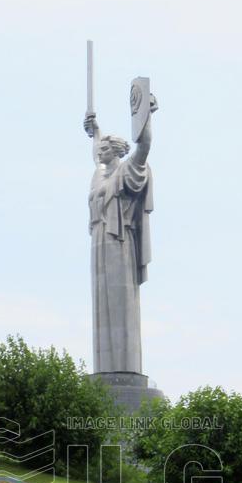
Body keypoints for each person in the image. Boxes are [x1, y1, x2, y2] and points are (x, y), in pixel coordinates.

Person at [83, 94, 156, 375]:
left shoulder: (128, 172)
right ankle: (105, 371)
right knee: (102, 303)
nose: (98, 150)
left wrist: (146, 117)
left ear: (114, 152)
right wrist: (95, 129)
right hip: (100, 242)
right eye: (99, 148)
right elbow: (95, 151)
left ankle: (124, 371)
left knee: (121, 305)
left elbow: (144, 146)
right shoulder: (100, 175)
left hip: (119, 241)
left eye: (103, 147)